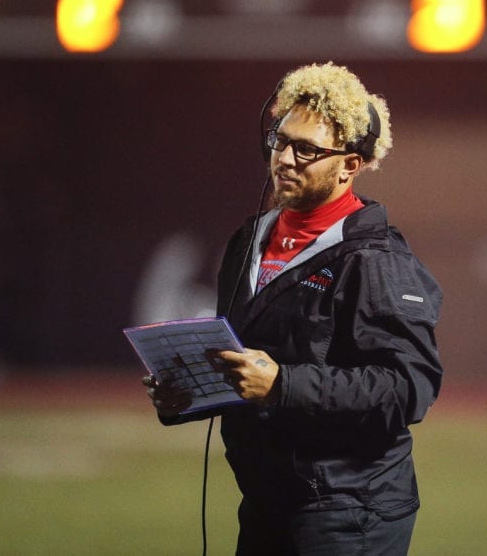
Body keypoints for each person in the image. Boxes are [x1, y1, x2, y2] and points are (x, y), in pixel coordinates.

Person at [143, 62, 444, 555]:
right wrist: (188, 393)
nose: (284, 159)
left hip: (349, 508)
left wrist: (282, 384)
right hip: (266, 499)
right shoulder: (250, 239)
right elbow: (247, 364)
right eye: (280, 141)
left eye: (307, 149)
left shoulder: (376, 258)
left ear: (350, 165)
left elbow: (409, 387)